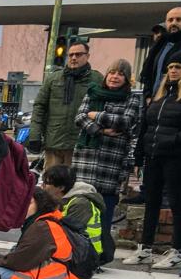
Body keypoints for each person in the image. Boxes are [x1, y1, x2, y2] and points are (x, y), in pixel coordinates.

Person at [124, 51, 181, 268]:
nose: (173, 71)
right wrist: (139, 155)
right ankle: (145, 247)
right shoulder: (161, 93)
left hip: (178, 156)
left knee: (176, 202)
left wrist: (177, 139)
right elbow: (147, 125)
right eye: (170, 67)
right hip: (153, 154)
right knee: (151, 201)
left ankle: (177, 250)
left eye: (178, 67)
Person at [72, 58, 141, 262]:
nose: (115, 76)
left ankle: (97, 256)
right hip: (85, 160)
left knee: (104, 213)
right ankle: (77, 252)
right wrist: (100, 130)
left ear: (127, 79)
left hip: (110, 163)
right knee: (80, 208)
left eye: (120, 74)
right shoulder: (92, 93)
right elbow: (79, 117)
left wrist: (95, 115)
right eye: (112, 72)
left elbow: (125, 121)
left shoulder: (132, 99)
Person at [0, 188, 88, 279]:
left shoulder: (42, 226)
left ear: (40, 205)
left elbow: (20, 261)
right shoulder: (52, 220)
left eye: (29, 203)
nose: (23, 208)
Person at [27, 40, 102, 170]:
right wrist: (35, 135)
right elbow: (39, 107)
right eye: (71, 54)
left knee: (76, 186)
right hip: (54, 142)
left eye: (78, 54)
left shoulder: (97, 79)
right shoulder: (53, 78)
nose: (73, 58)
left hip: (81, 143)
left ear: (87, 56)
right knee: (51, 185)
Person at [41, 164, 105, 265]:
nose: (42, 186)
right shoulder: (61, 200)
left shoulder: (80, 203)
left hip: (84, 256)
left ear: (61, 187)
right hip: (76, 252)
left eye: (46, 183)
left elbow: (66, 234)